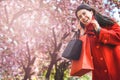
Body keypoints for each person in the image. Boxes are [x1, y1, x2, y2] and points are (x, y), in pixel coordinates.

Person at [75, 4, 120, 80]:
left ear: (91, 12)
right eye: (80, 17)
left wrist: (100, 31)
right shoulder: (85, 34)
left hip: (116, 68)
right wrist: (81, 35)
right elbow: (82, 55)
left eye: (84, 13)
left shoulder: (107, 23)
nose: (83, 17)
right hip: (99, 74)